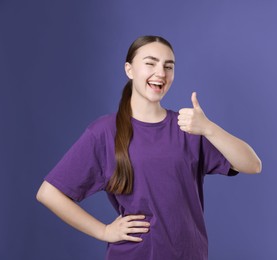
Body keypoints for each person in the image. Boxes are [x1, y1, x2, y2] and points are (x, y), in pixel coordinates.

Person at [36, 35, 261, 260]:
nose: (161, 73)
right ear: (129, 69)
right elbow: (49, 193)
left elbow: (252, 164)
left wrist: (209, 128)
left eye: (168, 66)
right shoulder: (104, 132)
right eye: (150, 63)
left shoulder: (189, 127)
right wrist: (103, 231)